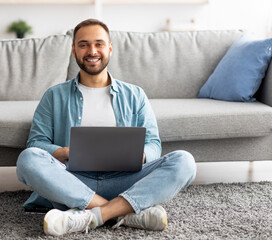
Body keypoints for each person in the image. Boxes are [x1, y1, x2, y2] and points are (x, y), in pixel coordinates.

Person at [16, 19, 196, 237]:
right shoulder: (54, 96)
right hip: (73, 179)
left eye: (99, 44)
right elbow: (36, 143)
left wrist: (141, 156)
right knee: (28, 159)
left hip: (125, 179)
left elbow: (154, 144)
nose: (92, 51)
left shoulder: (135, 95)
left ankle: (91, 216)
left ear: (110, 48)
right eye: (83, 45)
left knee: (184, 161)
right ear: (74, 51)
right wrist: (64, 152)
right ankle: (123, 212)